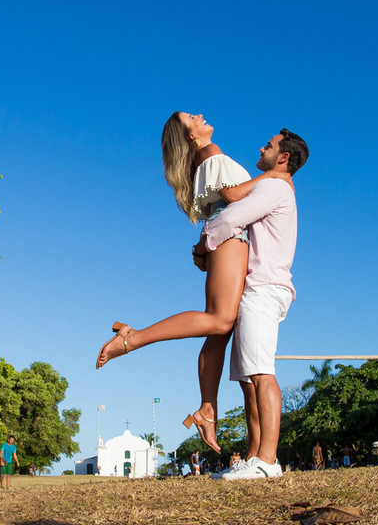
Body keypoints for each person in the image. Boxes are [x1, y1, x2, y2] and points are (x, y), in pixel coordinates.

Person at [97, 114, 289, 454]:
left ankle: (207, 409)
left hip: (225, 233)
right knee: (219, 319)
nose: (200, 116)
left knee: (219, 330)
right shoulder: (210, 150)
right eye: (192, 118)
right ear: (190, 135)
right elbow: (232, 197)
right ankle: (133, 338)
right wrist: (273, 175)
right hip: (230, 233)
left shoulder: (205, 156)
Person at [200, 129, 309, 480]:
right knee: (248, 381)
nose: (261, 148)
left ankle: (268, 461)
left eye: (269, 145)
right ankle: (252, 457)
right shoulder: (271, 183)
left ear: (283, 158)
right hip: (255, 289)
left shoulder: (276, 187)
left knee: (262, 375)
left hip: (264, 289)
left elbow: (232, 217)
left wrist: (204, 245)